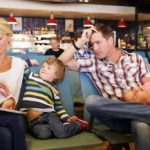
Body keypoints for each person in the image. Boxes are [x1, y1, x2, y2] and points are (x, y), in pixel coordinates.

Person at [59, 23, 150, 150]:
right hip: (116, 118)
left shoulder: (135, 58)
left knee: (142, 126)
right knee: (91, 101)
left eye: (98, 42)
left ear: (110, 40)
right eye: (92, 44)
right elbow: (59, 63)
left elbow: (148, 85)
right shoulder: (92, 62)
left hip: (140, 114)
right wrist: (80, 41)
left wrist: (141, 97)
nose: (95, 48)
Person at [21, 57, 88, 139]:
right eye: (43, 66)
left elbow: (59, 108)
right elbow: (20, 67)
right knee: (44, 134)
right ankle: (58, 128)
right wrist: (29, 62)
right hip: (33, 121)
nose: (44, 68)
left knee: (61, 133)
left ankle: (77, 125)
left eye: (48, 68)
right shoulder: (32, 77)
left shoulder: (54, 89)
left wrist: (66, 119)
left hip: (49, 116)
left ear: (57, 75)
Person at [0, 18, 27, 150]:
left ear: (9, 37)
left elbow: (53, 68)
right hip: (10, 118)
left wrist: (11, 99)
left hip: (5, 114)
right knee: (15, 120)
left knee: (4, 136)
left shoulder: (19, 64)